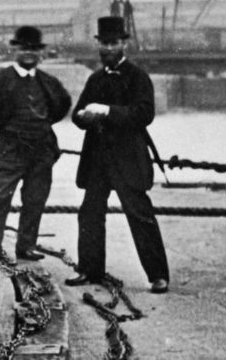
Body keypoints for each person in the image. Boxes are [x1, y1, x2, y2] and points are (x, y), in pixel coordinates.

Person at [69, 15, 170, 293]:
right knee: (90, 213)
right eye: (103, 43)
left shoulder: (139, 77)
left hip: (128, 160)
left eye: (113, 43)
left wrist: (107, 111)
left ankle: (158, 275)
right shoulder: (95, 79)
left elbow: (144, 113)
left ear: (124, 43)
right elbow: (76, 115)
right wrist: (83, 116)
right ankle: (90, 270)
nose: (107, 49)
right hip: (97, 160)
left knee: (139, 215)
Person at [0, 24, 71, 263]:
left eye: (34, 49)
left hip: (41, 150)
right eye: (24, 48)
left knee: (35, 199)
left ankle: (26, 245)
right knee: (0, 198)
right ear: (14, 49)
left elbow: (64, 104)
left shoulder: (48, 82)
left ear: (40, 53)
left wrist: (43, 126)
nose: (29, 53)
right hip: (8, 150)